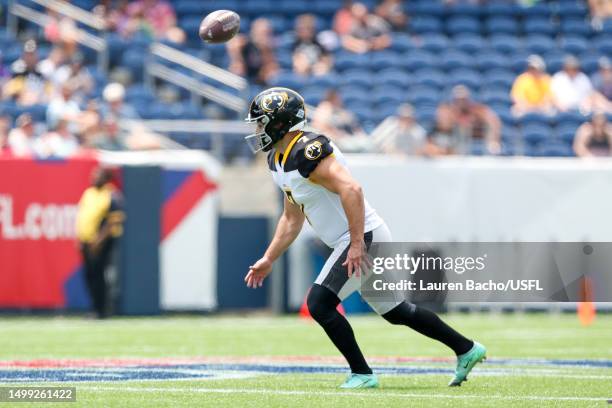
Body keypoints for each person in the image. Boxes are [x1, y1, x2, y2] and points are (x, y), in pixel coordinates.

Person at [242, 87, 486, 389]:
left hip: (361, 236)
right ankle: (467, 348)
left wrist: (357, 243)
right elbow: (292, 217)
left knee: (319, 303)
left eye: (262, 122)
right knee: (397, 312)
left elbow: (352, 190)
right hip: (357, 238)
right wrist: (269, 258)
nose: (258, 129)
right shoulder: (278, 160)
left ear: (280, 122)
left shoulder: (306, 151)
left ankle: (362, 373)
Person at [75, 167, 124, 319]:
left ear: (107, 178)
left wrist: (99, 240)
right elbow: (83, 216)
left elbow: (113, 222)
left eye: (98, 175)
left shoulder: (112, 195)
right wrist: (80, 238)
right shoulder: (89, 193)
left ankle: (103, 310)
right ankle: (94, 308)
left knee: (100, 276)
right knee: (90, 276)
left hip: (103, 243)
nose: (94, 177)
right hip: (86, 241)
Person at [433, 85, 501, 154]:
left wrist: (493, 141)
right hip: (453, 142)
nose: (461, 102)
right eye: (458, 100)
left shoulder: (476, 110)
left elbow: (493, 120)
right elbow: (443, 126)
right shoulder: (449, 111)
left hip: (473, 141)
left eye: (463, 99)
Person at [227, 18, 279, 85]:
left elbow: (269, 73)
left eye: (267, 33)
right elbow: (237, 69)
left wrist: (265, 51)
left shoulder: (270, 48)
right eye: (261, 32)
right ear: (253, 32)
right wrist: (237, 55)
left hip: (259, 83)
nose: (264, 36)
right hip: (243, 80)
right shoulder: (243, 44)